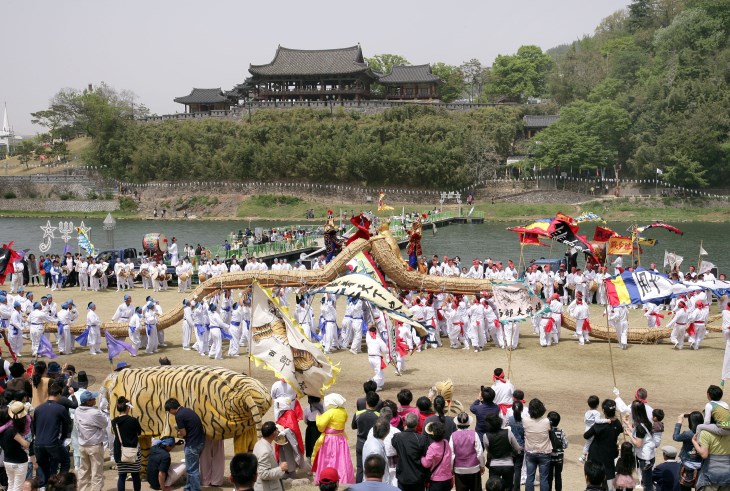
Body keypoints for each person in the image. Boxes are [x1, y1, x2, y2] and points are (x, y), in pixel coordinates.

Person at [31, 383, 71, 487]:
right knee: (65, 460)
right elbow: (66, 426)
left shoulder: (38, 408)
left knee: (43, 467)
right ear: (58, 394)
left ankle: (43, 486)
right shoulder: (61, 408)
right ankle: (60, 483)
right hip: (52, 443)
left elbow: (33, 427)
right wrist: (62, 440)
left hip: (38, 443)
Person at [312, 393, 355, 484]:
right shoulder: (344, 411)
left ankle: (326, 477)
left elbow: (321, 426)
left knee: (328, 458)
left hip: (330, 440)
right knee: (341, 458)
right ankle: (343, 478)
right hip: (340, 438)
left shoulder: (329, 413)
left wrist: (318, 417)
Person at [165, 398, 205, 491]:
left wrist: (178, 431)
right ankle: (188, 488)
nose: (170, 413)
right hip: (199, 442)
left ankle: (195, 489)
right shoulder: (187, 411)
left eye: (169, 411)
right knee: (191, 467)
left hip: (192, 444)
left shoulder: (178, 415)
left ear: (171, 409)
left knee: (192, 470)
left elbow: (183, 434)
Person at [584, 399, 623, 490]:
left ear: (604, 411)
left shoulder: (600, 425)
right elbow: (619, 429)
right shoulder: (618, 424)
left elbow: (586, 435)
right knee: (609, 482)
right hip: (610, 455)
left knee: (594, 481)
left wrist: (594, 424)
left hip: (596, 457)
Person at [75, 389, 107, 491]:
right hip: (94, 446)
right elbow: (105, 424)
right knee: (97, 473)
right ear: (88, 402)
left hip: (82, 445)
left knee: (83, 471)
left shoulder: (77, 410)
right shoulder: (95, 412)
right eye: (93, 399)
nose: (95, 400)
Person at [391, 412, 429, 491]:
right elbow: (426, 455)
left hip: (403, 477)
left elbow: (394, 445)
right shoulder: (422, 439)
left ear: (405, 423)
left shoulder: (397, 437)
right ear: (417, 424)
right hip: (417, 477)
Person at [112, 396, 143, 491]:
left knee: (122, 476)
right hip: (133, 451)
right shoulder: (133, 420)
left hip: (120, 451)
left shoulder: (114, 422)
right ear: (128, 408)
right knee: (135, 475)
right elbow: (139, 433)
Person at [483, 414, 521, 491]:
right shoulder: (508, 432)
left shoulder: (486, 436)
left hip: (494, 465)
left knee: (493, 487)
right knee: (508, 488)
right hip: (508, 465)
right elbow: (517, 448)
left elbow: (488, 450)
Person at [1, 402, 32, 491]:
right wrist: (29, 441)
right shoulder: (12, 430)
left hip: (7, 461)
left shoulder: (3, 430)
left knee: (11, 485)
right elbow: (25, 444)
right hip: (19, 462)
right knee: (17, 487)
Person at [626, 400, 657, 491]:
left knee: (647, 484)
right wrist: (628, 425)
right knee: (647, 481)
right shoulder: (646, 422)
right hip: (649, 455)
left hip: (645, 457)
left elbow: (638, 444)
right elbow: (641, 436)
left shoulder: (640, 426)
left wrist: (629, 433)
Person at [449, 412, 484, 491]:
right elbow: (480, 452)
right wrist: (482, 465)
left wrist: (451, 468)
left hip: (459, 469)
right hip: (474, 468)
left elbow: (451, 454)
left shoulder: (453, 435)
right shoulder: (474, 434)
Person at [523, 398, 552, 491]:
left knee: (530, 477)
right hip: (544, 452)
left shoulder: (525, 421)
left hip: (530, 452)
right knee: (544, 479)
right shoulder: (546, 421)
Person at [353, 391, 381, 482]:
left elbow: (353, 426)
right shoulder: (379, 416)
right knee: (373, 469)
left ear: (366, 402)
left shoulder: (358, 413)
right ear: (377, 403)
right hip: (373, 444)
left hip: (360, 443)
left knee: (360, 468)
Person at [673, 411, 704, 491]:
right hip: (701, 466)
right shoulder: (705, 433)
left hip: (688, 466)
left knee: (685, 488)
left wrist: (679, 422)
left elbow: (675, 437)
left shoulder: (688, 434)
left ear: (690, 422)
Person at [253, 422, 287, 491]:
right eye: (277, 430)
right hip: (267, 487)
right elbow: (263, 474)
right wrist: (281, 468)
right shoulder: (265, 451)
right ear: (274, 433)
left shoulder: (259, 443)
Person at [421, 421, 453, 491]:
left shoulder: (432, 447)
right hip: (447, 478)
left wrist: (422, 458)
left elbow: (426, 464)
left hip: (436, 480)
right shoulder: (446, 442)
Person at [547, 411, 568, 491]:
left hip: (549, 457)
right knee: (558, 475)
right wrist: (559, 447)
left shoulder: (547, 431)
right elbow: (565, 445)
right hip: (559, 458)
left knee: (549, 476)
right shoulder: (561, 431)